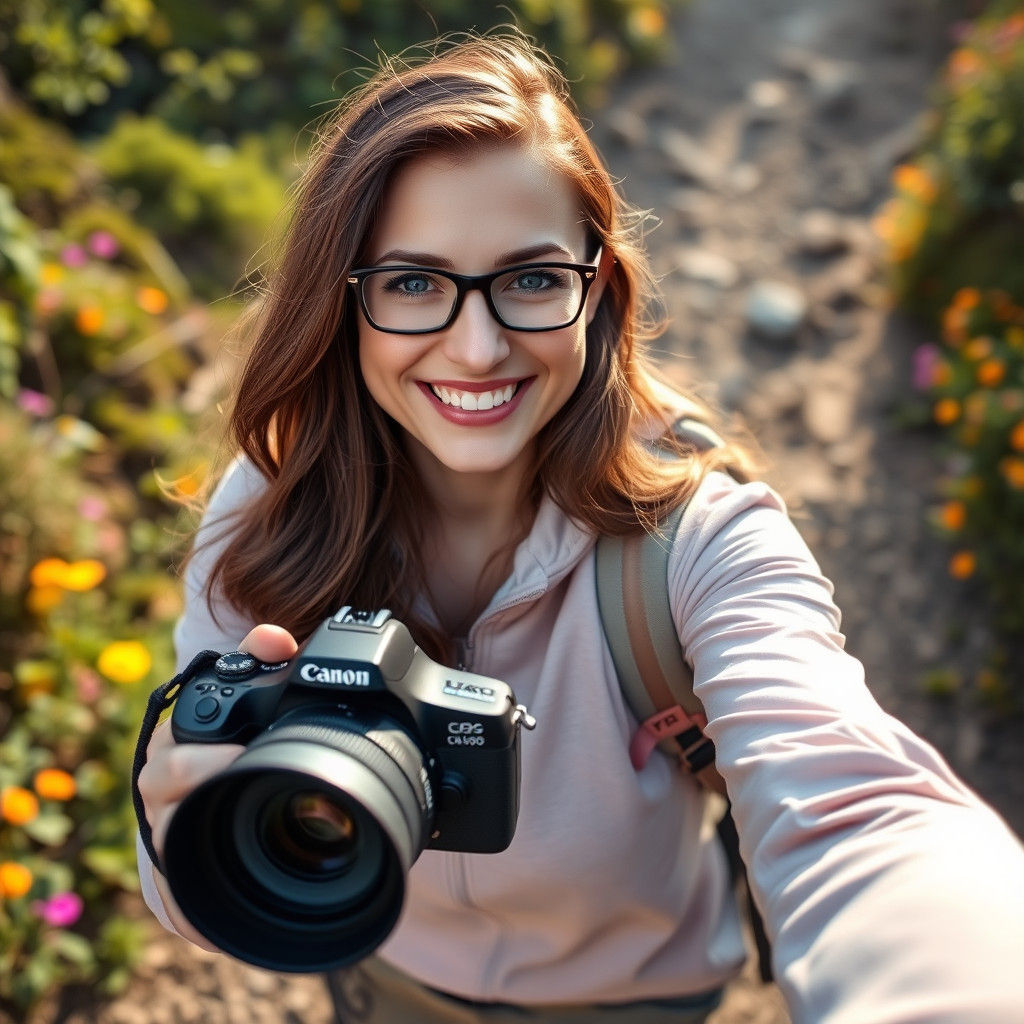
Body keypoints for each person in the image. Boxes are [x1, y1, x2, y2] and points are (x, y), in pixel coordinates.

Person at [136, 29, 1024, 1024]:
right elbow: (187, 884)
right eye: (414, 283)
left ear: (594, 289)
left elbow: (856, 810)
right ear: (344, 305)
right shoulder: (271, 502)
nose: (475, 349)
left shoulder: (698, 545)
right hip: (380, 983)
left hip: (638, 1003)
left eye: (529, 279)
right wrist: (185, 837)